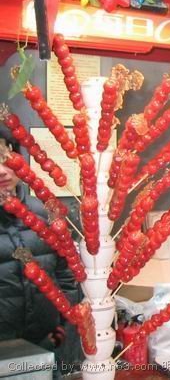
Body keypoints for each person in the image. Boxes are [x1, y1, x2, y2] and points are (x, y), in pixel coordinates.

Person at [0, 129, 81, 377]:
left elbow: (66, 274)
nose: (2, 171)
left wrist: (62, 325)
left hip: (44, 345)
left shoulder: (45, 213)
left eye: (6, 158)